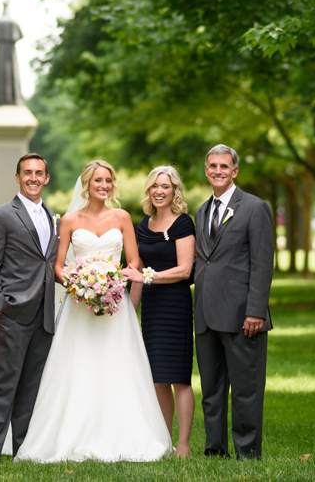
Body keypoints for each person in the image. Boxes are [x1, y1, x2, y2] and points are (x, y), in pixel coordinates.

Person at [15, 160, 171, 463]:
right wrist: (78, 283)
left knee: (117, 365)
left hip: (115, 305)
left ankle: (123, 434)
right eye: (98, 180)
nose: (104, 185)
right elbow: (59, 265)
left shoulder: (123, 217)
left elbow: (134, 261)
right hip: (79, 305)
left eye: (108, 180)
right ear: (86, 184)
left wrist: (111, 281)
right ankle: (71, 433)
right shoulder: (70, 220)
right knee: (79, 366)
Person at [0, 153, 60, 463]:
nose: (33, 178)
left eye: (39, 173)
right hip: (12, 313)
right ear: (18, 177)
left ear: (47, 178)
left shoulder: (54, 217)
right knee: (2, 383)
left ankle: (23, 448)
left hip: (44, 314)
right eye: (28, 172)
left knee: (31, 386)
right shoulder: (2, 215)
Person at [194, 145, 274, 460]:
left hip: (243, 313)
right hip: (205, 313)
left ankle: (248, 451)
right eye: (212, 165)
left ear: (234, 171)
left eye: (223, 166)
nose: (217, 170)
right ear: (206, 170)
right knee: (211, 391)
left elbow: (263, 263)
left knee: (245, 389)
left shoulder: (255, 208)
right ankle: (215, 449)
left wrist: (255, 311)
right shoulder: (201, 211)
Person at [124, 165, 196, 457]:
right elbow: (137, 273)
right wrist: (128, 314)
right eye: (155, 186)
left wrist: (148, 277)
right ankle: (165, 441)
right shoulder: (143, 226)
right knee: (157, 377)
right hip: (152, 306)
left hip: (175, 304)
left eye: (165, 186)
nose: (159, 191)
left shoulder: (183, 223)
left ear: (174, 190)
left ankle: (184, 445)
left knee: (179, 377)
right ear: (149, 190)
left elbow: (184, 269)